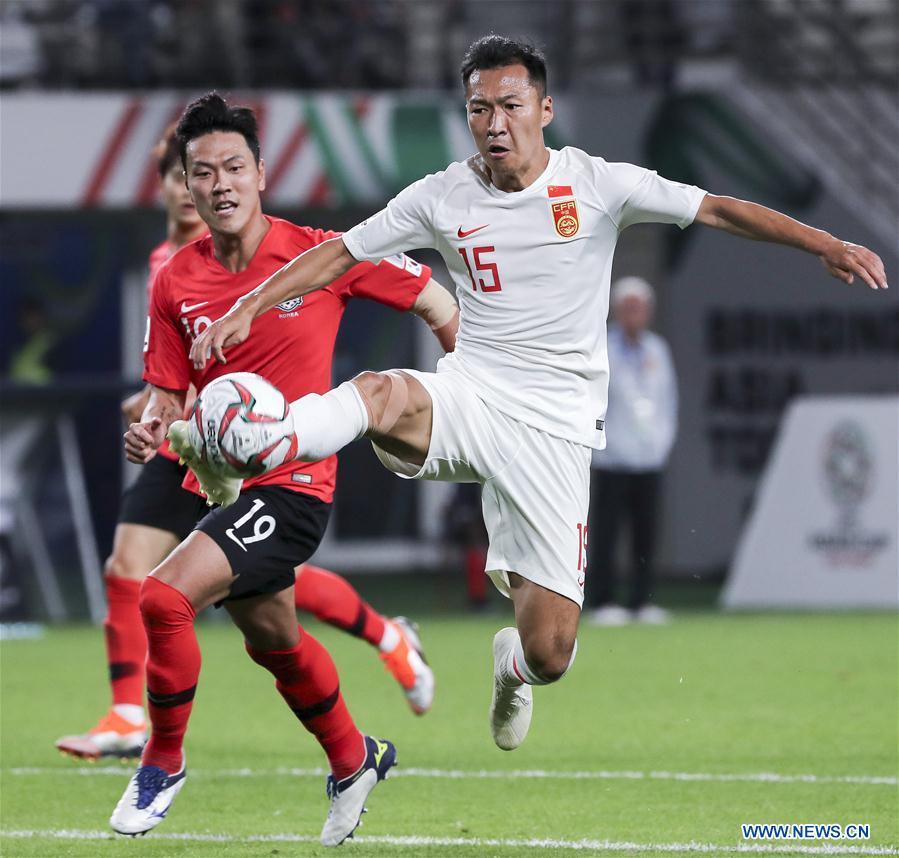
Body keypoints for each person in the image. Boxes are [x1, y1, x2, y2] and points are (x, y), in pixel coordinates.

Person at [189, 35, 887, 757]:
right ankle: (269, 437)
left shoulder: (597, 185)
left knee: (550, 652)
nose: (493, 122)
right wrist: (249, 306)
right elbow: (339, 253)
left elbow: (715, 209)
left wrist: (821, 244)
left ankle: (511, 668)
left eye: (509, 106)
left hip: (555, 431)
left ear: (544, 110)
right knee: (381, 395)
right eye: (478, 108)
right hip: (474, 394)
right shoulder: (440, 196)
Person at [110, 94, 458, 845]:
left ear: (262, 173)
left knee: (163, 598)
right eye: (202, 173)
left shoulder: (319, 254)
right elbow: (169, 393)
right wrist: (150, 427)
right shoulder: (175, 281)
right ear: (188, 186)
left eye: (234, 166)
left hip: (297, 485)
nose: (220, 184)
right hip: (223, 483)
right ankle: (353, 755)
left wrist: (480, 386)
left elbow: (433, 296)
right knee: (273, 638)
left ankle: (161, 761)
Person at [586, 276, 677, 626]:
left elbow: (668, 402)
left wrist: (661, 443)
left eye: (639, 308)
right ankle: (604, 599)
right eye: (628, 308)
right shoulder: (602, 347)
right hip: (611, 457)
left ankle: (642, 601)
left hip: (648, 458)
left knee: (646, 533)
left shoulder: (658, 350)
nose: (634, 314)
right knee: (606, 532)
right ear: (617, 311)